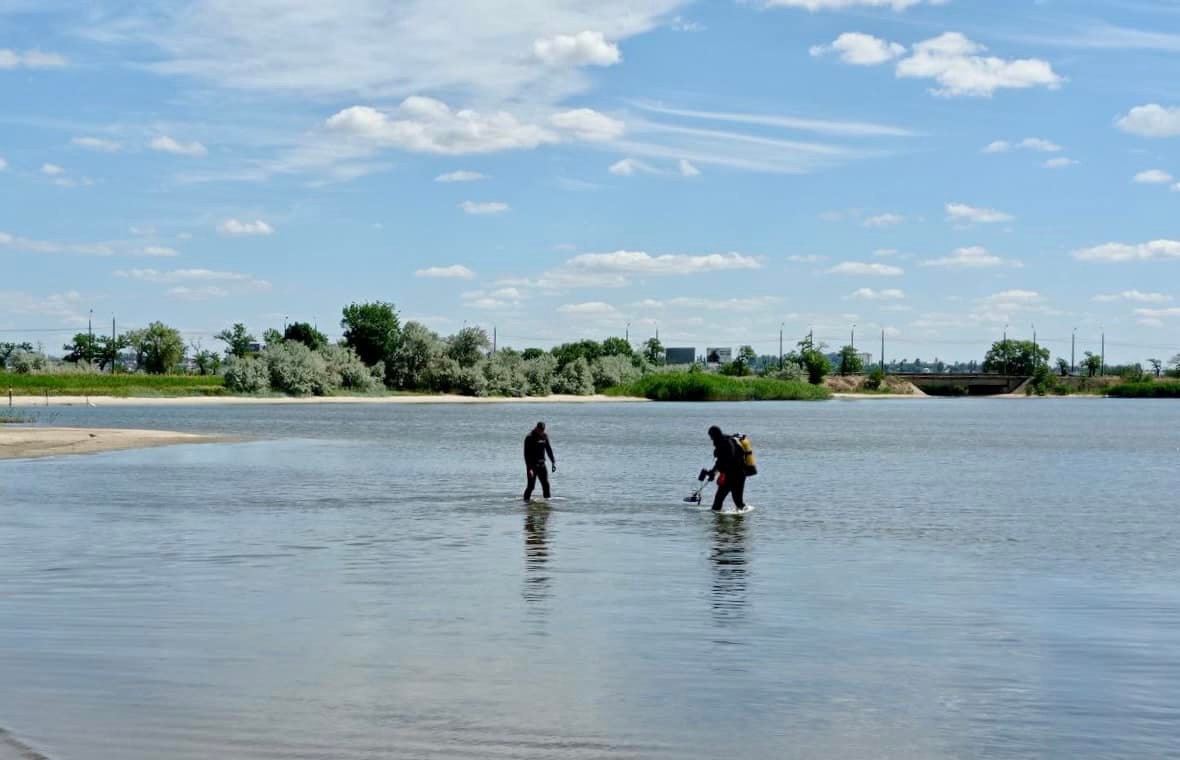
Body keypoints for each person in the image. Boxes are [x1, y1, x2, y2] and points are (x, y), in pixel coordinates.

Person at [706, 425, 746, 512]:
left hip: (735, 475)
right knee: (737, 501)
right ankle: (738, 522)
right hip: (738, 473)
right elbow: (721, 461)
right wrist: (714, 472)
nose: (711, 439)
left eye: (711, 436)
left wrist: (715, 472)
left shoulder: (724, 444)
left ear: (715, 435)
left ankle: (718, 522)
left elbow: (725, 460)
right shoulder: (725, 441)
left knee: (720, 500)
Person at [523, 421, 556, 502]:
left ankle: (547, 504)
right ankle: (526, 504)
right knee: (531, 487)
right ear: (536, 428)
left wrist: (553, 461)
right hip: (532, 466)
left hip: (542, 465)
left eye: (543, 430)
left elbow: (548, 449)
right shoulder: (529, 437)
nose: (541, 431)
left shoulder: (544, 436)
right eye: (540, 430)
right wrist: (529, 468)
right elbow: (526, 455)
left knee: (546, 485)